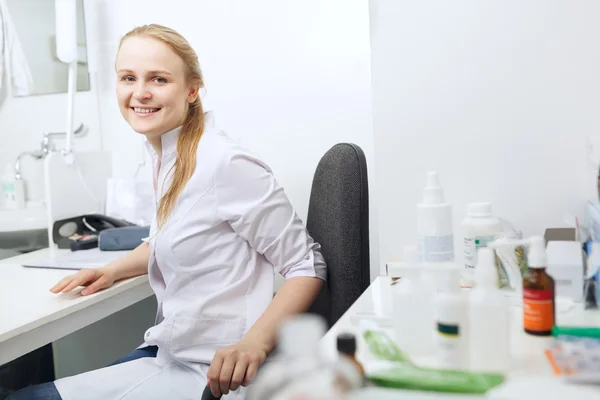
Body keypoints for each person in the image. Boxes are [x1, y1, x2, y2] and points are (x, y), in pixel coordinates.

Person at [7, 24, 326, 400]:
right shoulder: (166, 154)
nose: (140, 92)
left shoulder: (224, 163)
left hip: (213, 370)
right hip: (172, 351)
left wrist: (254, 343)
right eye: (128, 77)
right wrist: (111, 270)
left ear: (191, 89)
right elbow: (168, 238)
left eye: (158, 79)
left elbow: (307, 264)